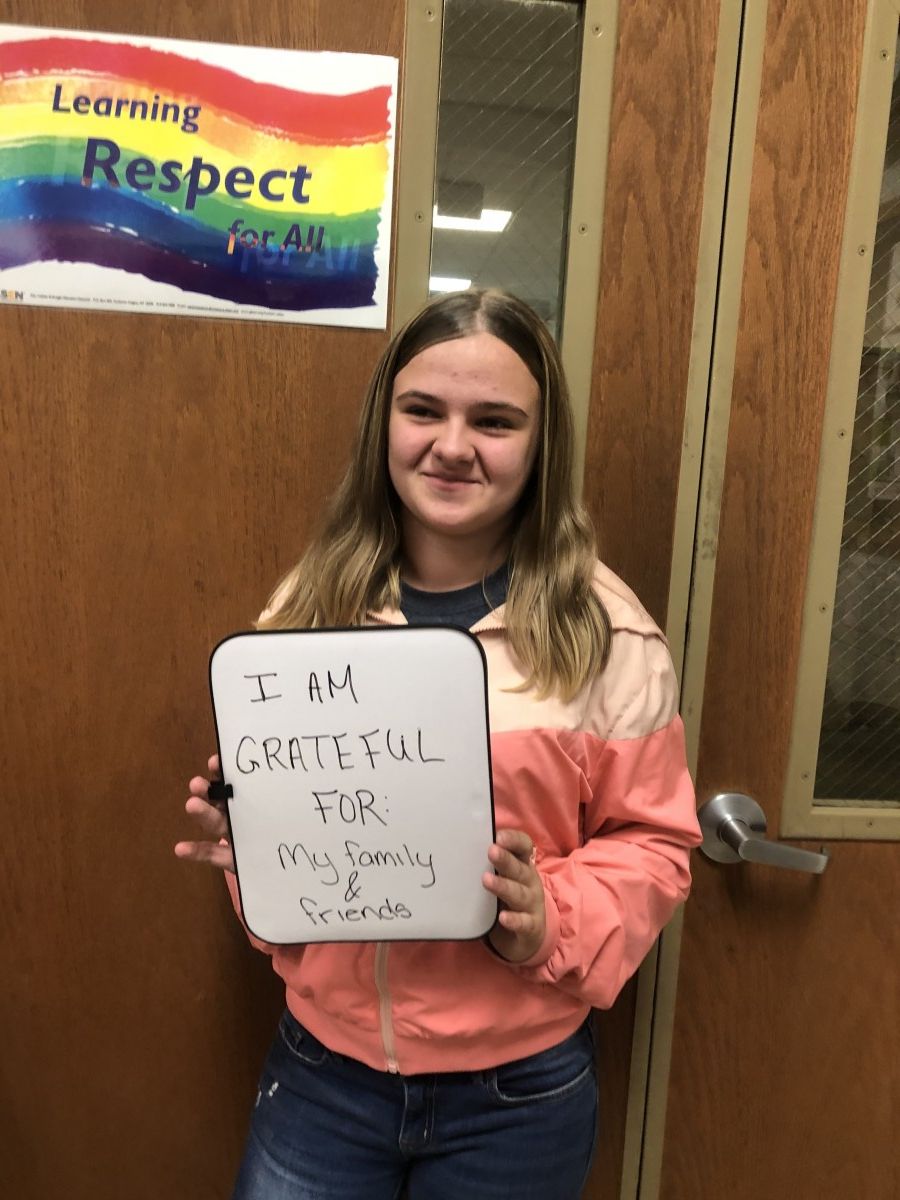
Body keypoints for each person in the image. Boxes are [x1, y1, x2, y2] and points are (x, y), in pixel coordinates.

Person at [175, 288, 702, 1199]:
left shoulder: (607, 634)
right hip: (322, 1073)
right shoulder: (306, 611)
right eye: (424, 410)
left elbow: (657, 845)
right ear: (386, 423)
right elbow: (305, 842)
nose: (452, 445)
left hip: (518, 1096)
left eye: (494, 420)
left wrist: (550, 918)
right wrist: (251, 848)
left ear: (541, 447)